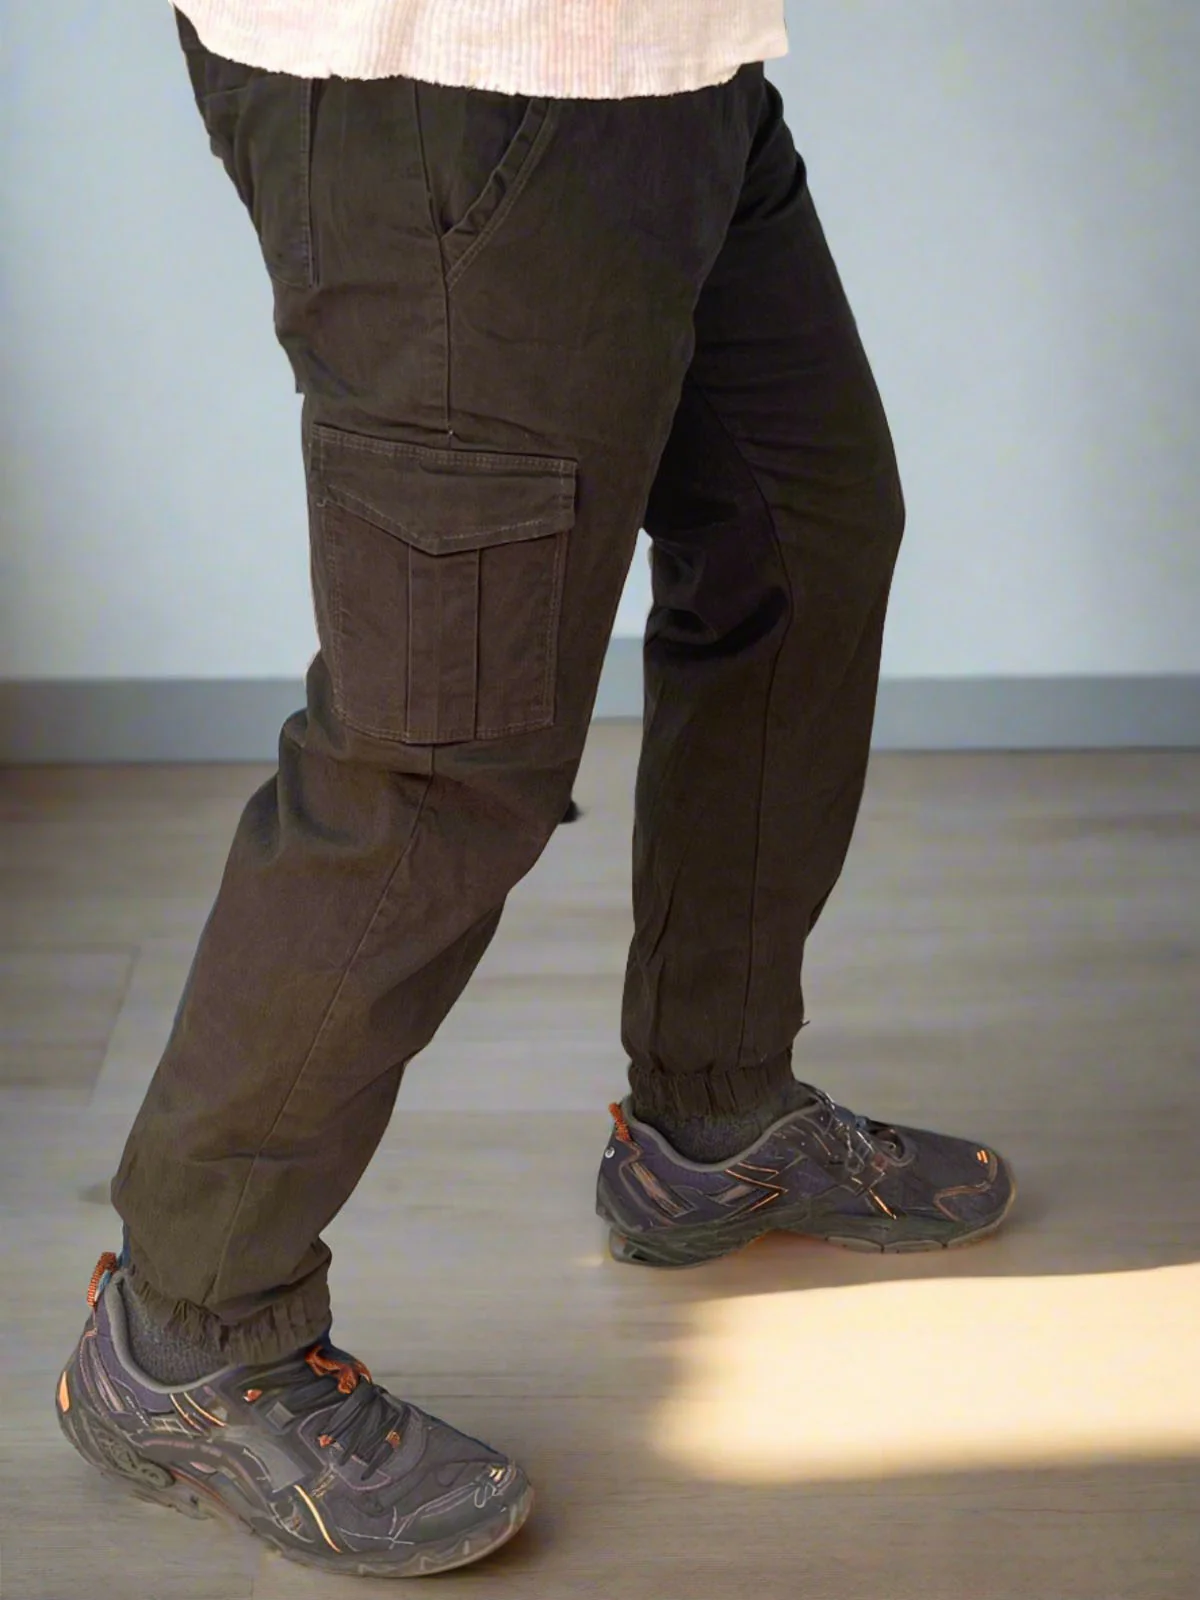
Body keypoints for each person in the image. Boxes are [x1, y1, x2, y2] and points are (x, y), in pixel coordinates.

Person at [56, 0, 1015, 1578]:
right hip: (464, 82)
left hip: (675, 67)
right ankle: (190, 1332)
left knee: (801, 542)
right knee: (440, 751)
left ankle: (714, 1119)